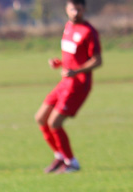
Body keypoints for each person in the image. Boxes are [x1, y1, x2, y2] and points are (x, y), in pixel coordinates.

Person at [35, 0, 101, 174]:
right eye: (72, 9)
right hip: (64, 82)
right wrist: (59, 63)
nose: (76, 12)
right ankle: (60, 156)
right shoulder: (68, 27)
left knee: (54, 122)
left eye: (79, 9)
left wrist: (76, 71)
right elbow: (73, 56)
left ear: (84, 9)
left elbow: (97, 60)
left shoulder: (89, 31)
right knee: (41, 118)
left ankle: (72, 162)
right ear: (67, 9)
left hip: (78, 85)